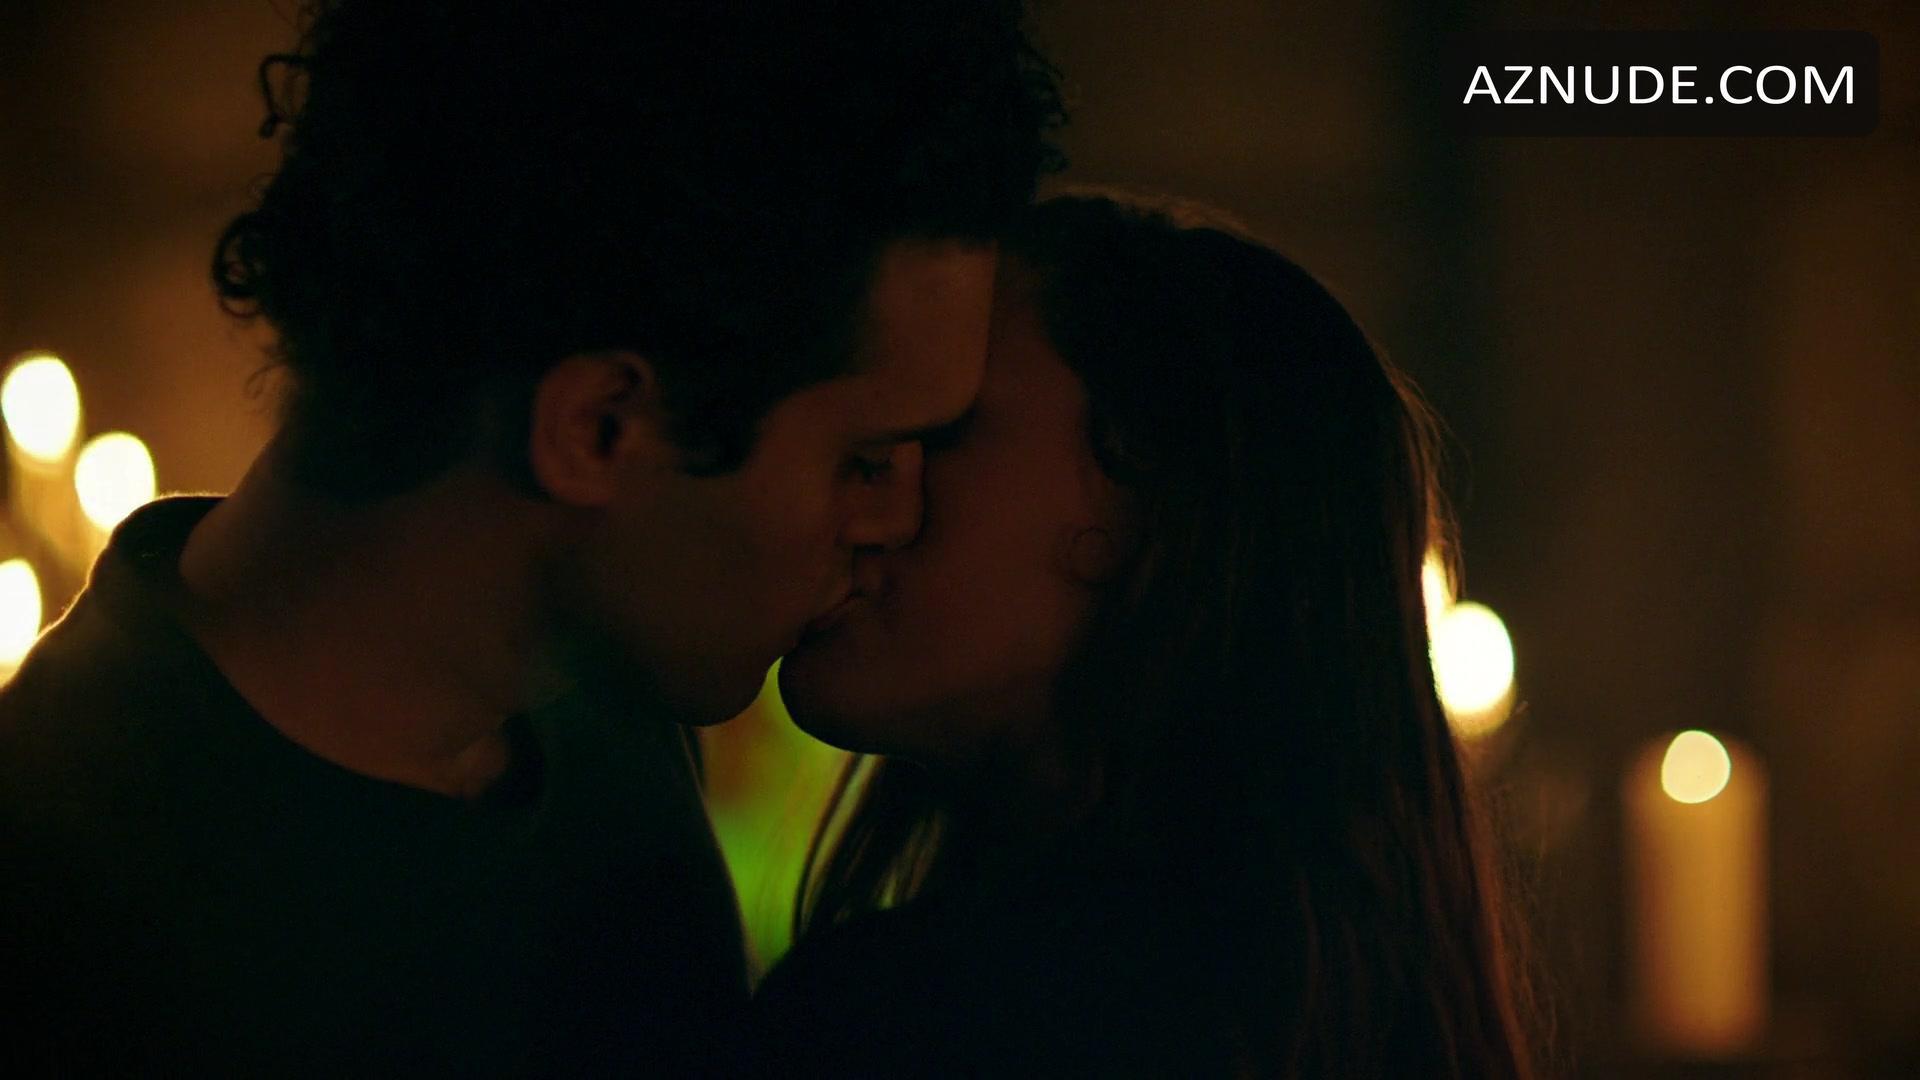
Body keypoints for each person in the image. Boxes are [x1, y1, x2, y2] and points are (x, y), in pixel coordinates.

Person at [0, 1, 1061, 1073]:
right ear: (599, 429)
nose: (897, 522)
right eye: (864, 460)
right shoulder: (74, 913)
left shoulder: (601, 708)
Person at [752, 193, 1539, 1077]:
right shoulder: (1349, 1019)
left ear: (1147, 502)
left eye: (943, 431)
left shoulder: (900, 1023)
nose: (872, 489)